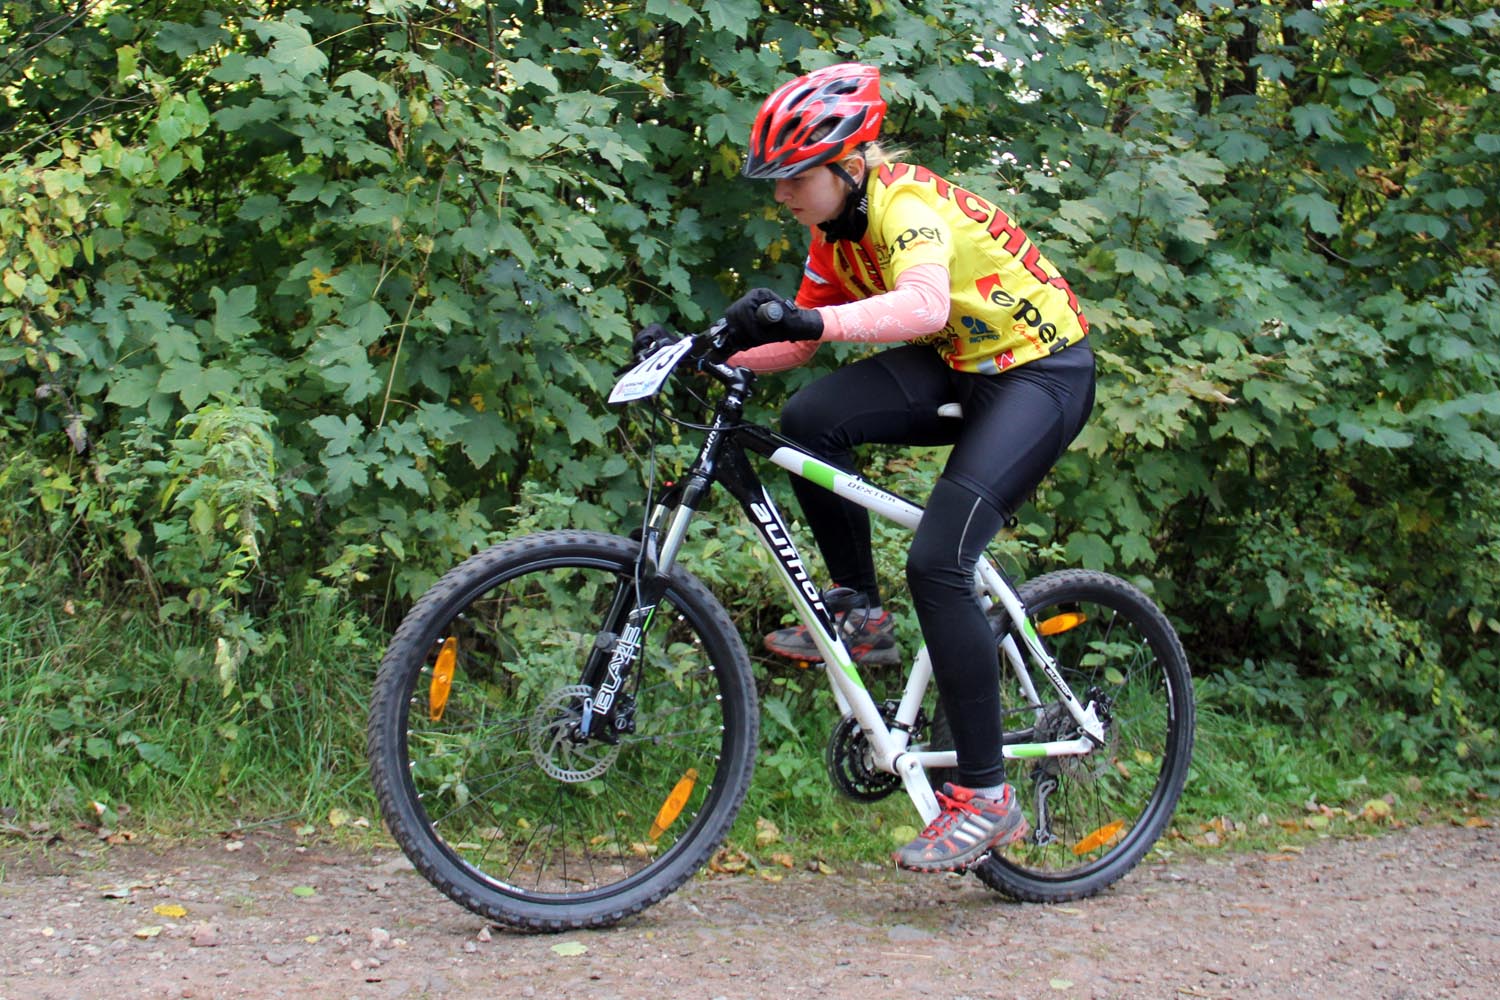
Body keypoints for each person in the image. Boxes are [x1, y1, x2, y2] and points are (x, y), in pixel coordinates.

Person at [716, 62, 1096, 873]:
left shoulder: (905, 206)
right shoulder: (834, 230)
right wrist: (705, 351)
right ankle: (861, 611)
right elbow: (800, 342)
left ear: (851, 164)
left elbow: (923, 305)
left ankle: (985, 797)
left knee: (939, 563)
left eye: (795, 177)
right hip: (959, 362)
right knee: (809, 421)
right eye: (776, 179)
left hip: (1039, 375)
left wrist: (805, 319)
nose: (782, 193)